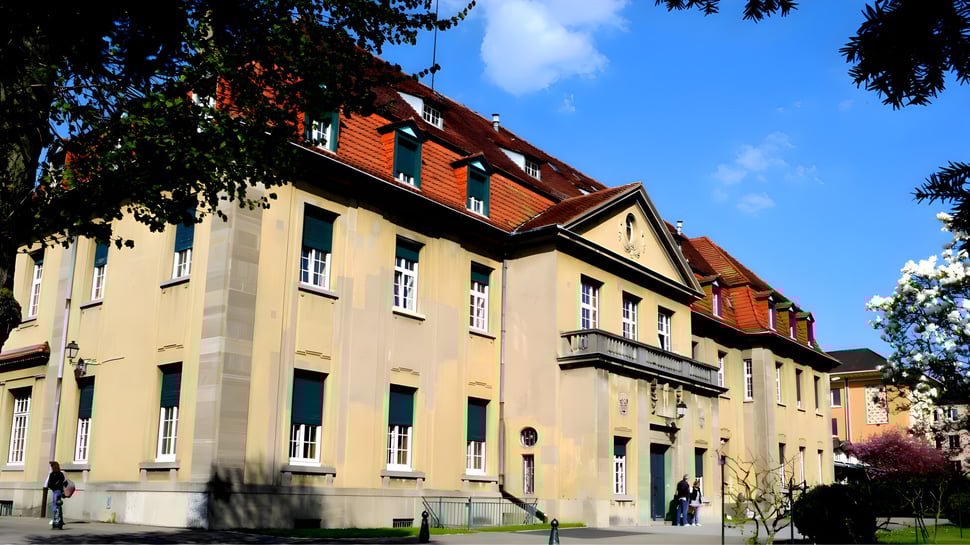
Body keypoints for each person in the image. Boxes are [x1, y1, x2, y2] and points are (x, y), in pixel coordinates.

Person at [46, 461, 65, 530]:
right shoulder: (61, 474)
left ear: (53, 467)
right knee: (59, 505)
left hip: (55, 492)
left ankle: (55, 520)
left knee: (55, 505)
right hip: (60, 491)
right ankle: (60, 520)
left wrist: (52, 487)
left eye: (51, 466)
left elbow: (49, 484)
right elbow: (64, 482)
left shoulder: (52, 474)